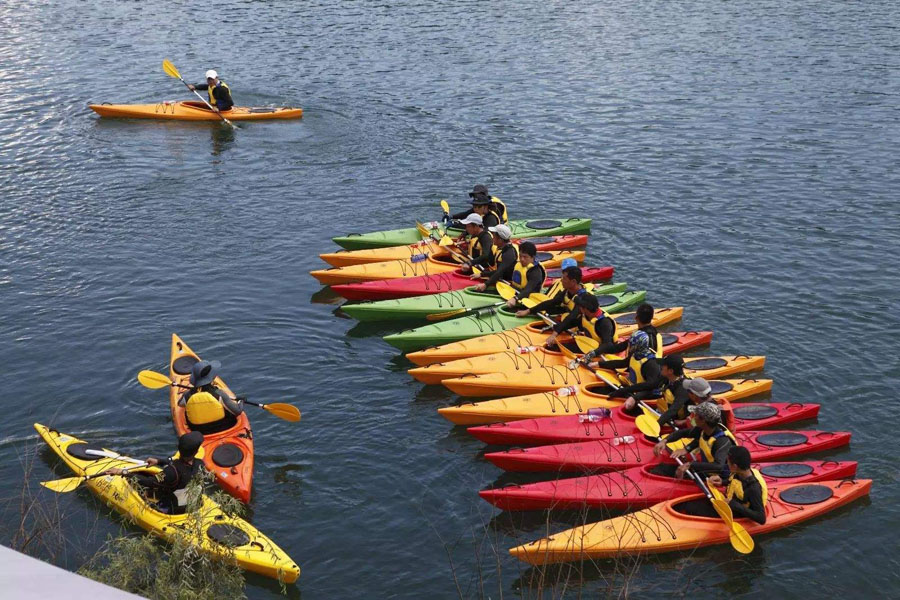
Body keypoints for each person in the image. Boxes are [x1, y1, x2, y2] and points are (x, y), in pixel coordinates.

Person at [104, 431, 204, 514]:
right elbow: (177, 463)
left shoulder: (171, 471)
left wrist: (123, 472)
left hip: (174, 509)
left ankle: (156, 504)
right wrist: (159, 461)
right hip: (194, 504)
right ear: (195, 452)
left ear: (179, 449)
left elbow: (149, 482)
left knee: (147, 488)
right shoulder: (200, 464)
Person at [652, 401, 737, 480]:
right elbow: (683, 433)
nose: (693, 417)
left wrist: (690, 465)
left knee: (660, 471)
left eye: (696, 415)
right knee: (660, 468)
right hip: (705, 470)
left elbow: (719, 466)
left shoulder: (722, 441)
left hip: (718, 478)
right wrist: (664, 441)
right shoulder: (704, 429)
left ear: (703, 421)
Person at [589, 330, 662, 406]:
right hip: (632, 390)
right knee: (599, 390)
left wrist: (635, 398)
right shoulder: (636, 354)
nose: (629, 347)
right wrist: (598, 364)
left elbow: (652, 388)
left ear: (638, 346)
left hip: (646, 397)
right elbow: (623, 363)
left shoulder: (651, 364)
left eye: (631, 345)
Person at [707, 446, 768, 525]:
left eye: (728, 462)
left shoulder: (753, 488)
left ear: (735, 466)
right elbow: (736, 483)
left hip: (738, 512)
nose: (727, 463)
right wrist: (722, 482)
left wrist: (734, 505)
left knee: (694, 507)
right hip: (730, 503)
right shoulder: (740, 472)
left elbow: (761, 518)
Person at [178, 360, 243, 434]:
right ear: (212, 377)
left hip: (199, 432)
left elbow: (180, 404)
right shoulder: (219, 394)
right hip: (223, 427)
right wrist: (241, 401)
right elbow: (238, 411)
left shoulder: (187, 395)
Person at [583, 303, 661, 363]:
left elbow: (626, 363)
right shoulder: (652, 334)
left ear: (636, 318)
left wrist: (598, 360)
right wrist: (598, 351)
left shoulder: (638, 338)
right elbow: (618, 348)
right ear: (651, 318)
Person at [473, 224, 518, 291]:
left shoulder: (509, 253)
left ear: (500, 240)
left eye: (494, 236)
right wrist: (481, 274)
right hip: (500, 279)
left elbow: (500, 272)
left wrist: (486, 284)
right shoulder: (501, 248)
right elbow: (497, 271)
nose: (492, 237)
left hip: (507, 284)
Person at [504, 241, 546, 307]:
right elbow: (504, 271)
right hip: (515, 293)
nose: (522, 259)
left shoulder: (536, 271)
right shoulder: (518, 264)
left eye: (525, 257)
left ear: (533, 257)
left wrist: (515, 298)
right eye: (520, 256)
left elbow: (528, 290)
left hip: (529, 301)